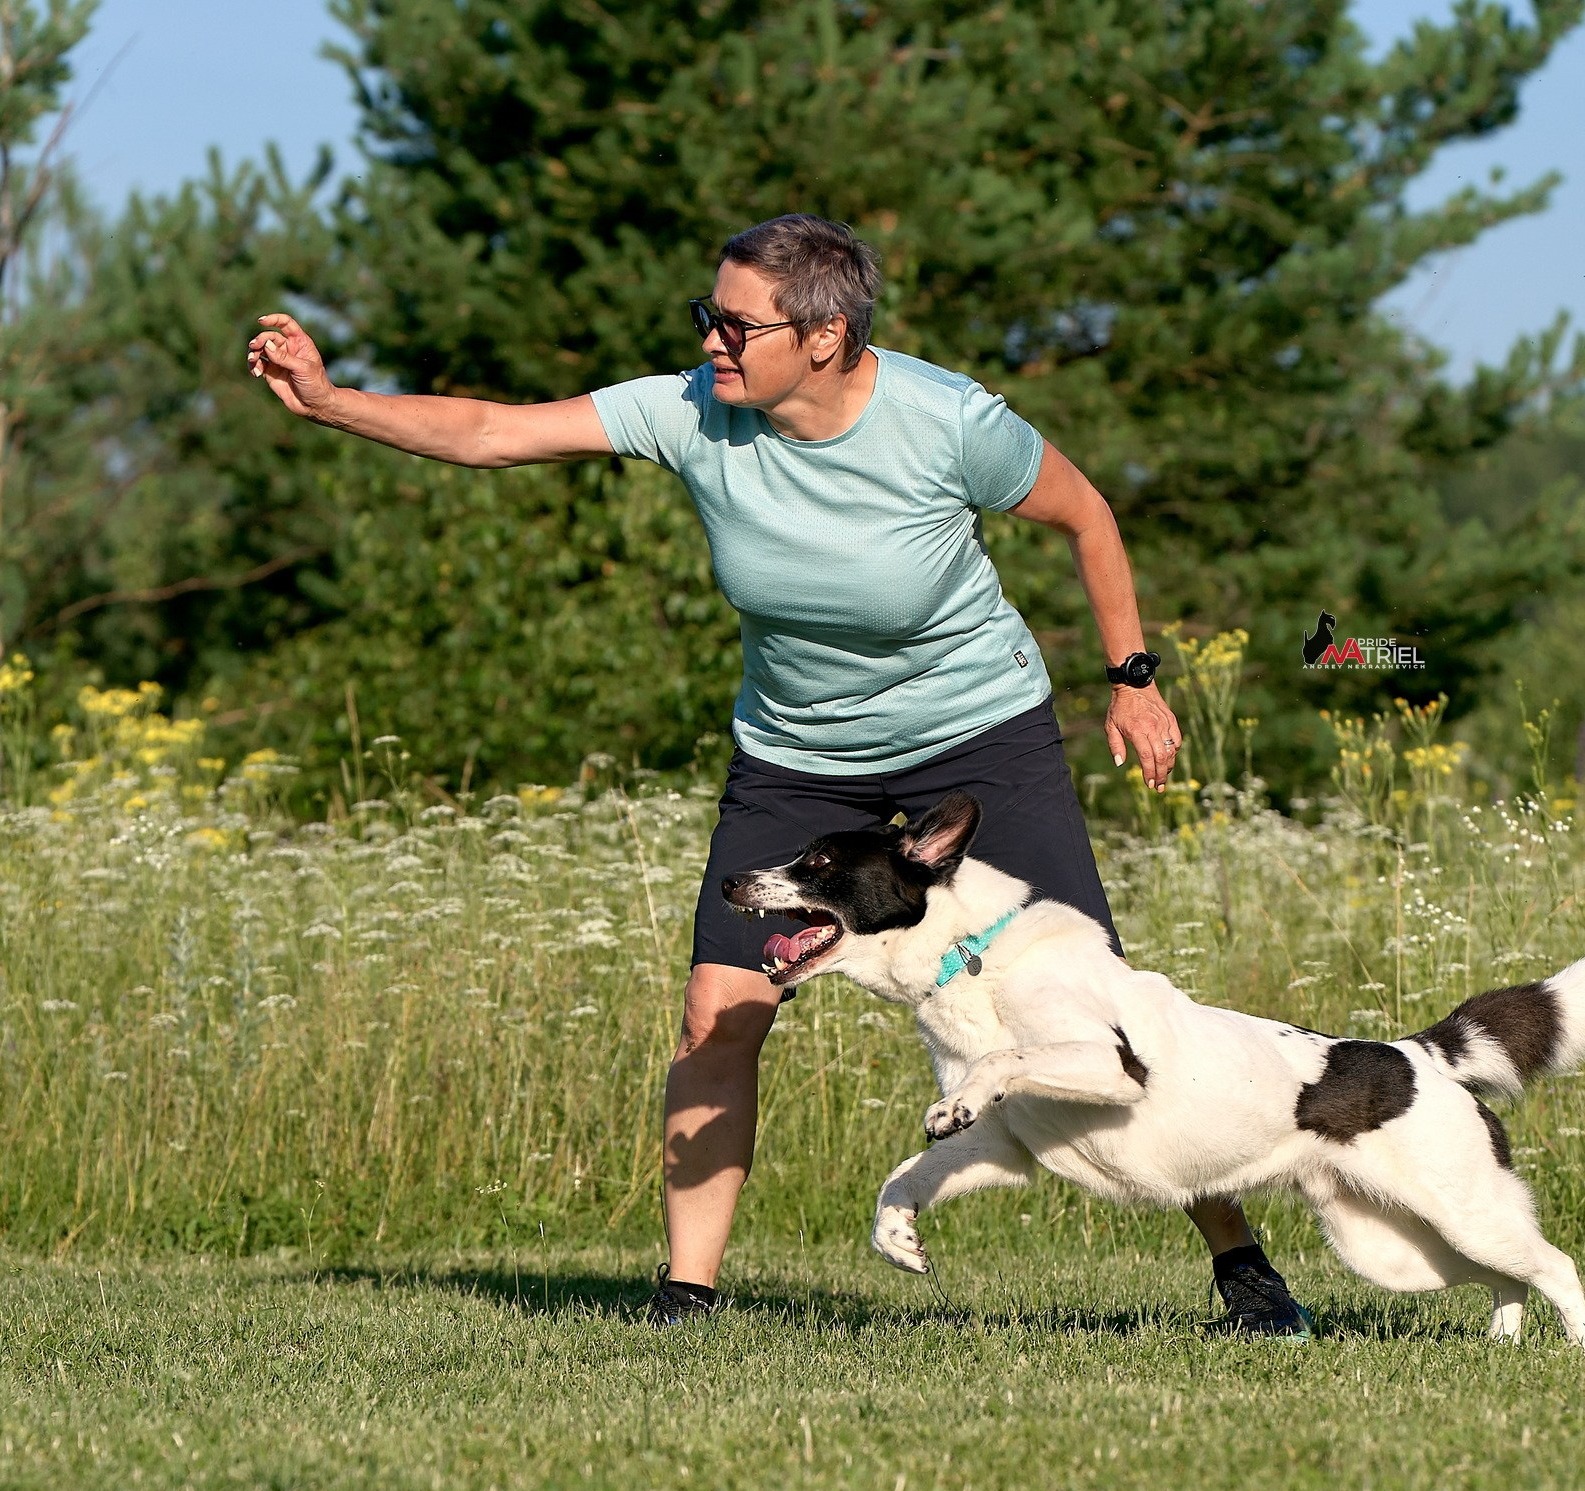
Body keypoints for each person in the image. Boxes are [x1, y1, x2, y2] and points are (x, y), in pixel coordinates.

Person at [248, 213, 1312, 1339]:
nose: (709, 339)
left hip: (977, 736)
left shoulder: (947, 422)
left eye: (732, 322)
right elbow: (489, 432)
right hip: (799, 752)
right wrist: (330, 401)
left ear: (824, 334)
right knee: (719, 1014)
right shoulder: (692, 412)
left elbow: (1086, 515)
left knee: (1088, 1012)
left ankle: (1245, 1273)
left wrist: (1131, 677)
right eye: (705, 316)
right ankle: (685, 1298)